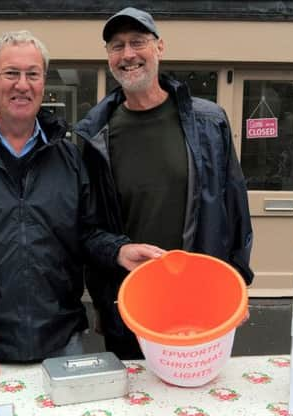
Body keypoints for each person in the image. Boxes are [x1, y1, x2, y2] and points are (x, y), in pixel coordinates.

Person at [0, 30, 161, 375]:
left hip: (62, 341)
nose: (22, 84)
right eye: (11, 74)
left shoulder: (69, 158)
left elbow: (88, 232)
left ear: (43, 82)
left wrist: (118, 251)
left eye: (32, 74)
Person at [74, 8, 254, 360]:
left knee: (200, 403)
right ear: (109, 57)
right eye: (117, 45)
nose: (128, 54)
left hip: (203, 301)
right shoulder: (94, 135)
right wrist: (117, 251)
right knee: (134, 409)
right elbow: (84, 226)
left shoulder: (208, 121)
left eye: (138, 42)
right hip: (132, 306)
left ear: (160, 48)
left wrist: (238, 285)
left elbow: (235, 210)